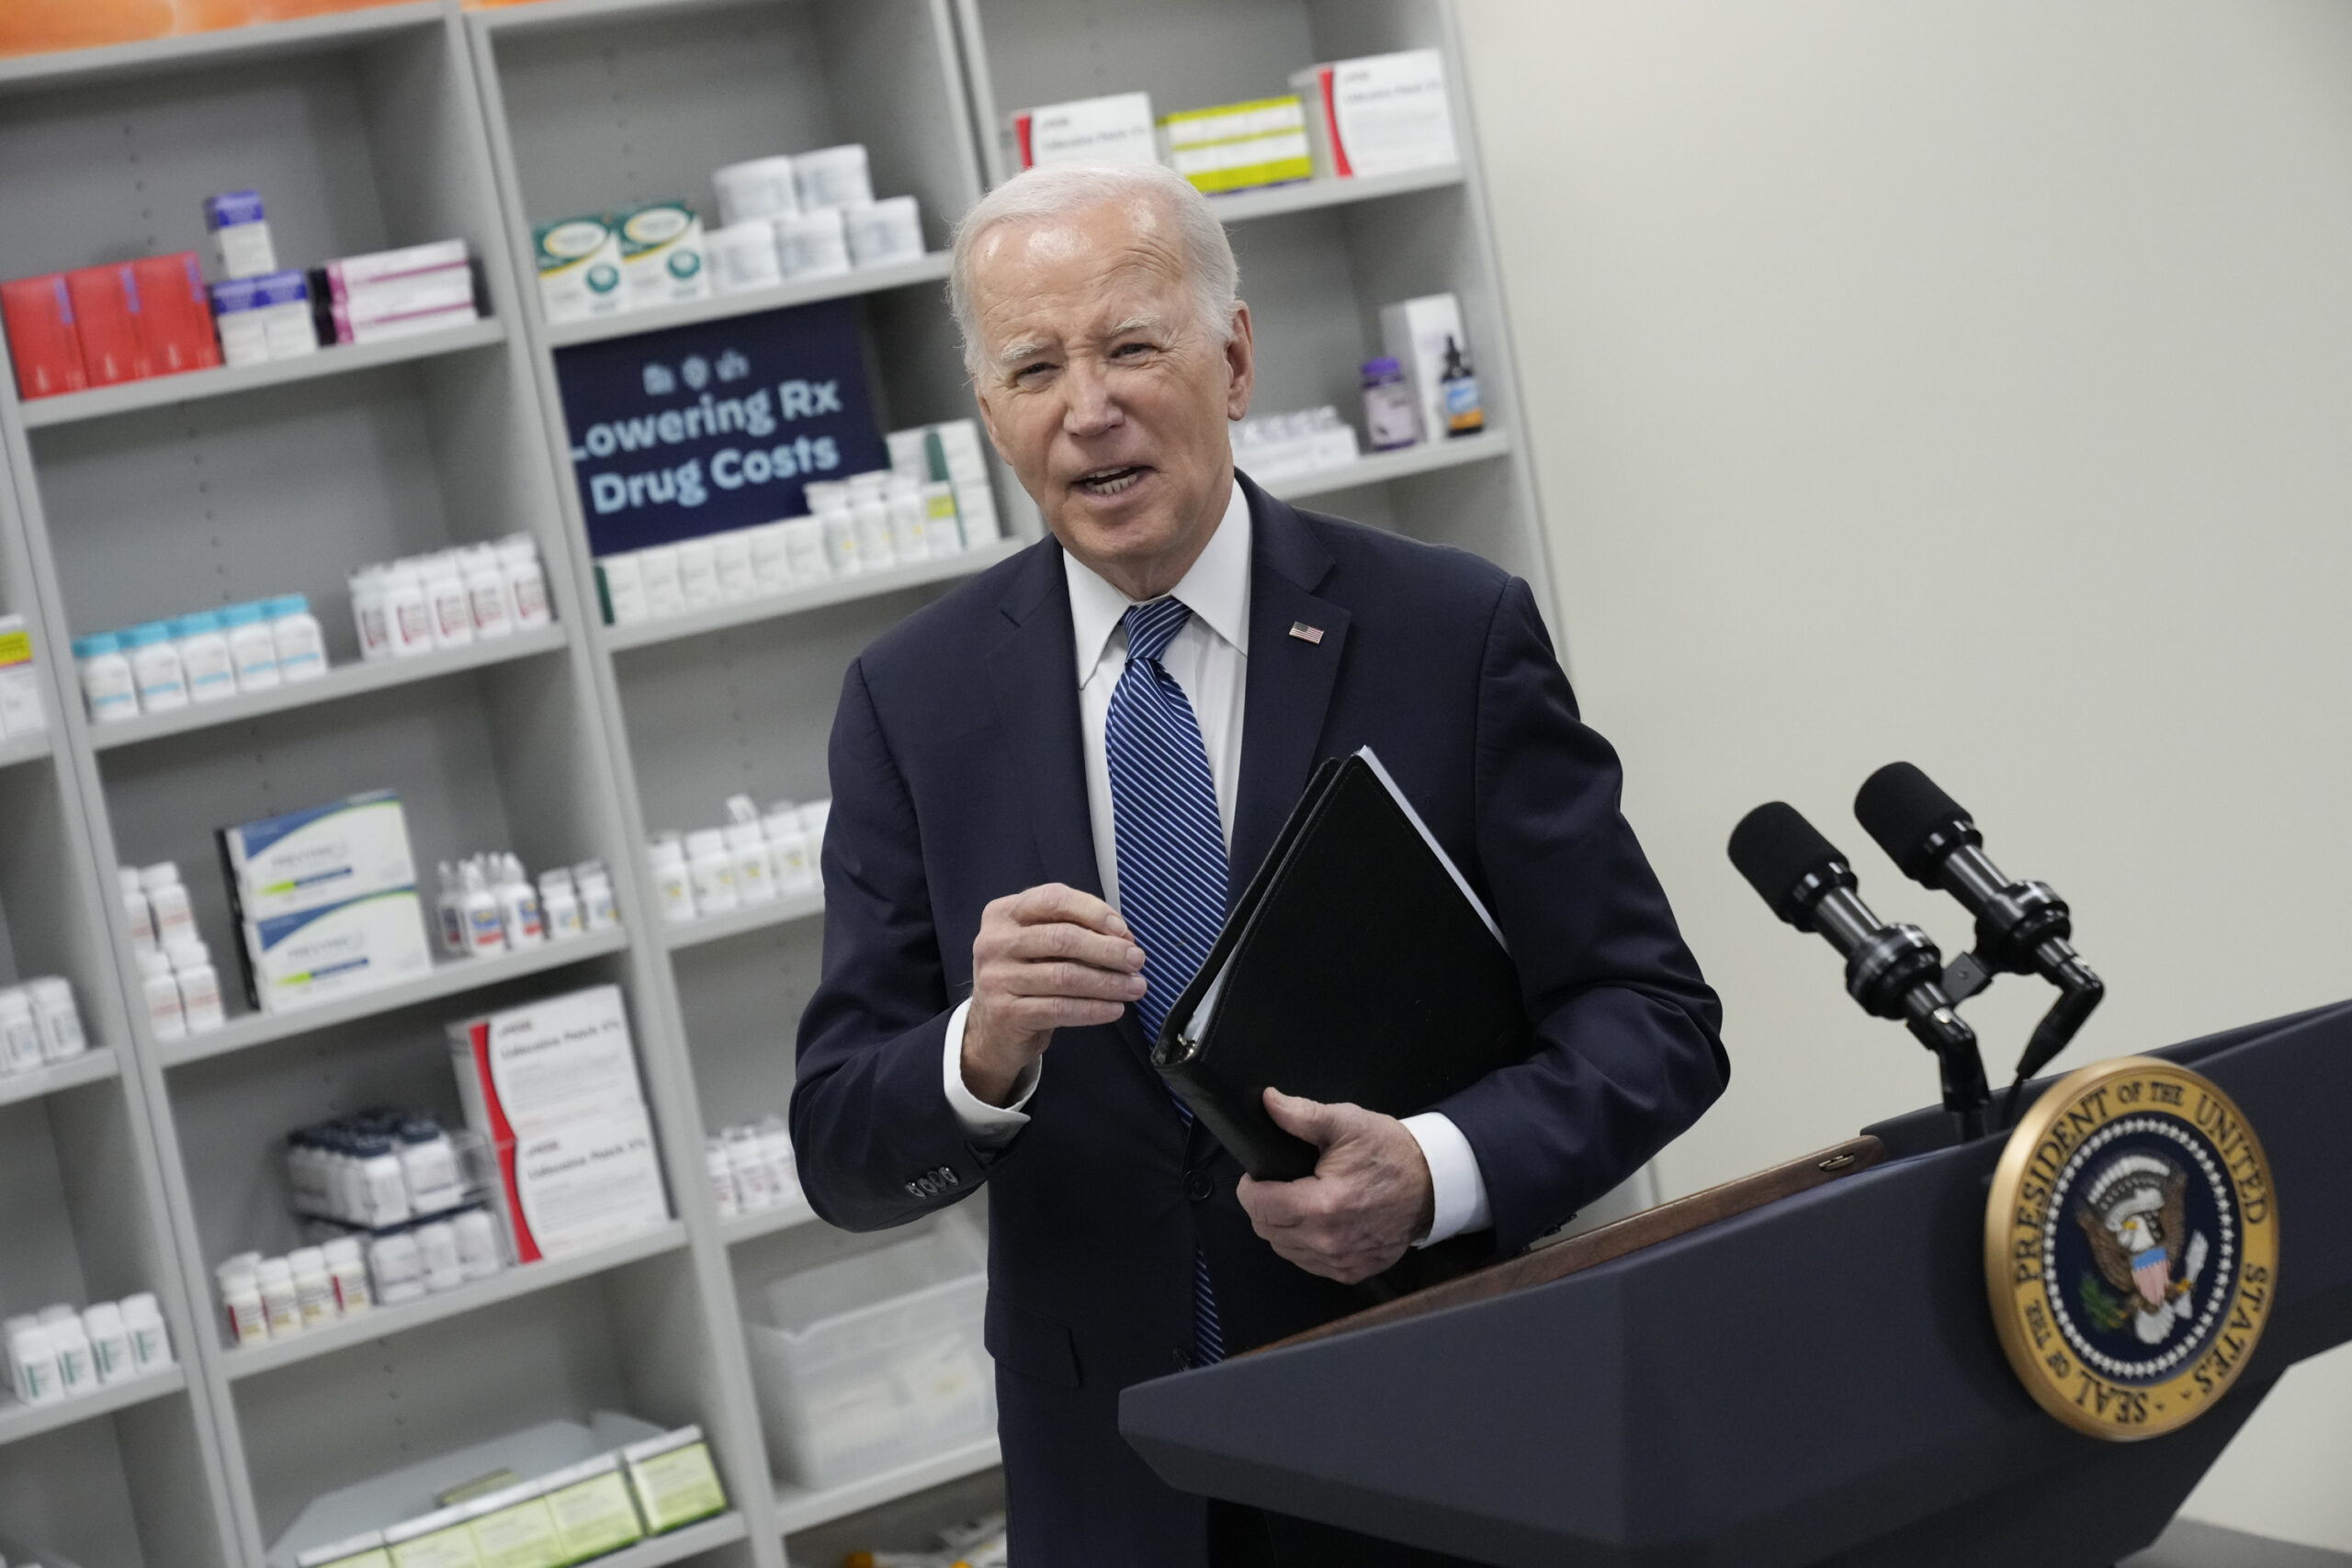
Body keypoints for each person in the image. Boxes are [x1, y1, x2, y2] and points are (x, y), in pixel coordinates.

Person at [790, 162, 1726, 1567]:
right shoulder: (912, 704)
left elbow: (1653, 1023)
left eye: (1131, 345)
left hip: (1433, 1427)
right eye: (1035, 366)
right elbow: (840, 1149)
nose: (1088, 406)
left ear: (1230, 359)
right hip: (1111, 1482)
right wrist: (975, 1055)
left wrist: (1434, 1167)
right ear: (992, 416)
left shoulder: (1448, 633)